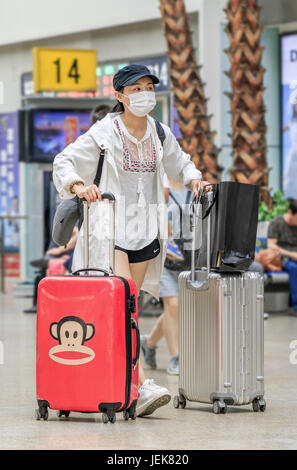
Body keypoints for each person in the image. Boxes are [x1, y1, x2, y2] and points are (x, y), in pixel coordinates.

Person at [53, 63, 210, 417]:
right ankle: (137, 385)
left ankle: (122, 384)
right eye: (135, 89)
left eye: (148, 87)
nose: (144, 94)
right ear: (120, 95)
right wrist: (80, 186)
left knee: (129, 310)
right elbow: (64, 161)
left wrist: (195, 178)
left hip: (146, 231)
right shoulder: (104, 132)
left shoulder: (159, 131)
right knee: (124, 302)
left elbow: (179, 164)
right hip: (111, 229)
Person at [141, 176, 190, 376]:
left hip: (189, 257)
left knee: (176, 310)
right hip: (163, 256)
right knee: (173, 305)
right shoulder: (158, 184)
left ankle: (149, 343)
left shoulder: (193, 186)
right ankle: (175, 357)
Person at [267, 199, 297, 312]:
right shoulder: (277, 223)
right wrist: (292, 254)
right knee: (294, 268)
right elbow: (271, 245)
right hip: (283, 257)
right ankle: (295, 307)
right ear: (290, 212)